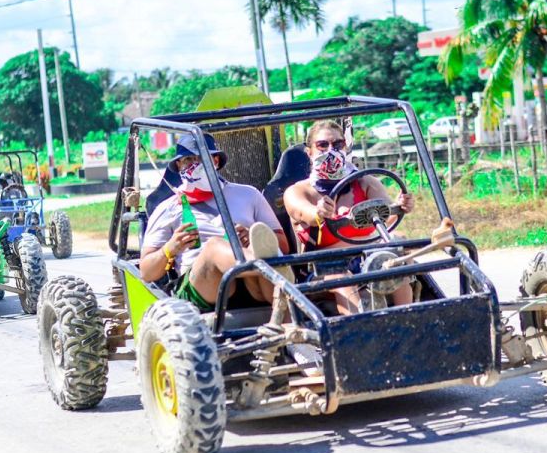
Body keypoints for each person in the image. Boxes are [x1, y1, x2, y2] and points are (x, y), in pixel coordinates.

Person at [140, 133, 291, 312]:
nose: (195, 165)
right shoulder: (168, 208)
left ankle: (283, 306)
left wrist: (250, 235)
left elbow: (283, 245)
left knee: (258, 245)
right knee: (214, 246)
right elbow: (146, 272)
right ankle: (267, 267)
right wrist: (170, 247)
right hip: (203, 287)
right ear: (179, 165)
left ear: (216, 161)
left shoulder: (248, 194)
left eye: (202, 158)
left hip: (253, 286)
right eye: (188, 159)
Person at [283, 120, 415, 314]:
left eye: (338, 144)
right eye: (322, 145)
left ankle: (410, 319)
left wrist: (401, 206)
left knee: (393, 257)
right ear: (309, 152)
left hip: (371, 257)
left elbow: (386, 214)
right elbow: (307, 214)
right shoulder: (297, 192)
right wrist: (320, 212)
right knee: (341, 277)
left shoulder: (365, 182)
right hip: (324, 268)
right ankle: (357, 331)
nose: (331, 150)